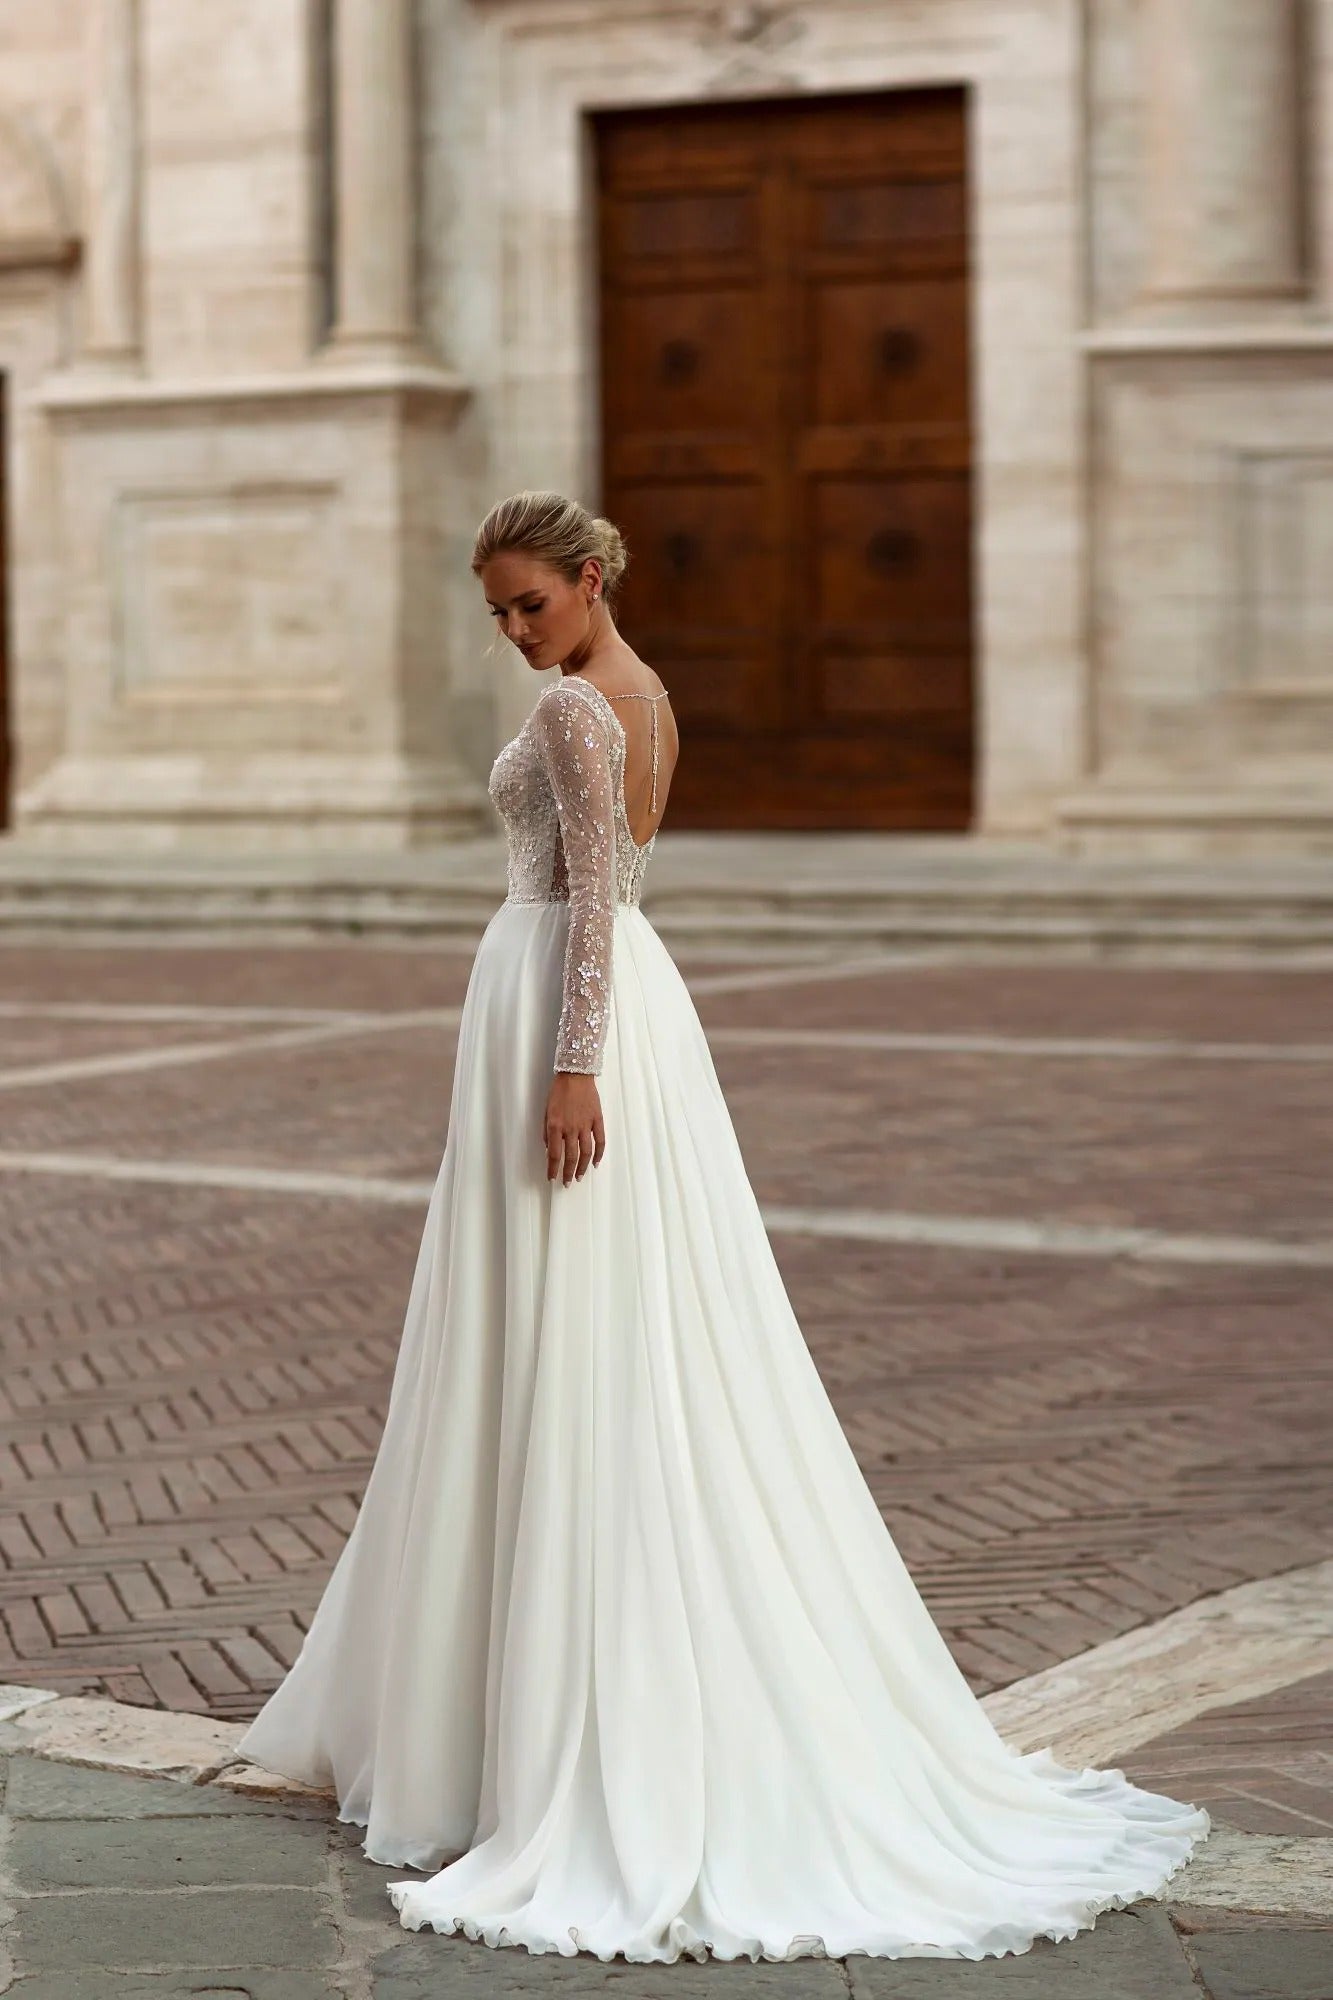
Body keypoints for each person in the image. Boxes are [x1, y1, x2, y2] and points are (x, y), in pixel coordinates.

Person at [234, 489, 1209, 1964]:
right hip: (632, 1012)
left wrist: (568, 1068)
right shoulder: (642, 693)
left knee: (558, 1337)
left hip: (573, 1011)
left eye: (529, 605)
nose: (512, 633)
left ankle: (533, 1732)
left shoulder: (577, 712)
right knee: (611, 1331)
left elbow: (590, 903)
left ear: (587, 577)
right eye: (494, 612)